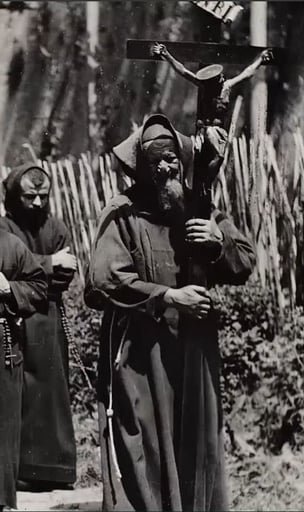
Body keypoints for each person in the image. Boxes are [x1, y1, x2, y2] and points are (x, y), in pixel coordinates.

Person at [84, 114, 256, 511]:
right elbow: (102, 281)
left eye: (171, 159)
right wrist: (168, 296)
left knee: (195, 444)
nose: (164, 168)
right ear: (142, 167)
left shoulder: (200, 207)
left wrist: (217, 244)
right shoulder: (122, 213)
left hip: (193, 354)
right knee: (147, 447)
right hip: (142, 359)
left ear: (182, 159)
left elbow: (244, 261)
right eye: (155, 161)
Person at [0, 164, 77, 491]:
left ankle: (54, 468)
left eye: (42, 196)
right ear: (14, 195)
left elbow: (63, 277)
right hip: (13, 319)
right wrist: (48, 262)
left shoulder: (56, 228)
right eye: (29, 196)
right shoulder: (4, 228)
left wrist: (37, 270)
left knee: (51, 392)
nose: (36, 203)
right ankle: (21, 469)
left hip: (47, 320)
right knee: (21, 395)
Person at [0, 230, 47, 510]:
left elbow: (39, 286)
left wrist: (8, 289)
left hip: (2, 346)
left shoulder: (8, 244)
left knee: (3, 425)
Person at [152, 42, 273, 126]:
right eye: (217, 78)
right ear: (211, 81)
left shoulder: (227, 86)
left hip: (219, 131)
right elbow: (183, 71)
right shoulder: (205, 86)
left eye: (220, 75)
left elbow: (246, 73)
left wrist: (260, 60)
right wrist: (167, 55)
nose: (221, 78)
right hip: (204, 129)